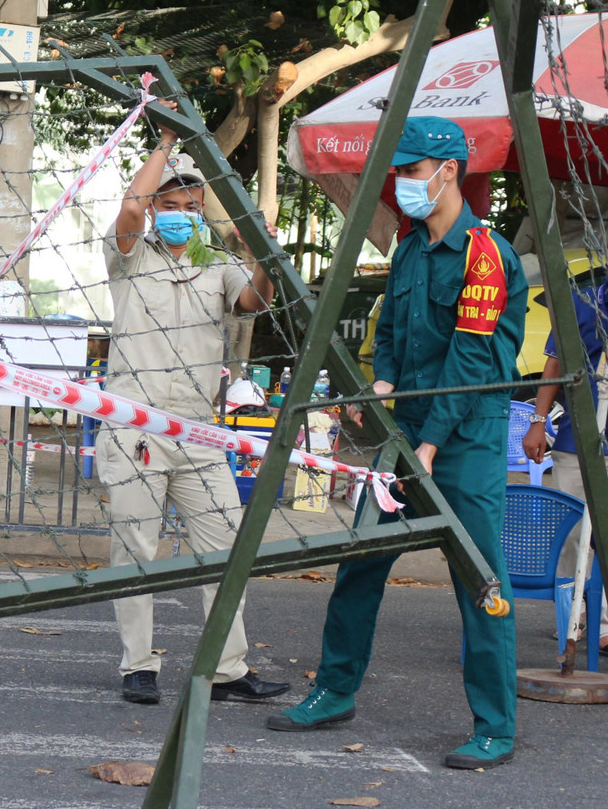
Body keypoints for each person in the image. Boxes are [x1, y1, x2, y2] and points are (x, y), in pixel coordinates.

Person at [268, 116, 528, 770]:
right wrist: (380, 380)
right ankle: (334, 688)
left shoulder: (486, 255)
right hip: (406, 434)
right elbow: (390, 332)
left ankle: (495, 724)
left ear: (448, 173)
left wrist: (431, 445)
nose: (403, 185)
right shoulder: (410, 249)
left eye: (411, 172)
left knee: (480, 579)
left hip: (463, 440)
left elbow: (471, 360)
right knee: (361, 560)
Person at [97, 104, 291, 707]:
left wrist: (258, 249)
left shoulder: (217, 265)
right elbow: (130, 207)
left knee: (223, 547)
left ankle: (228, 669)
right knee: (136, 548)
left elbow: (255, 301)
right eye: (171, 204)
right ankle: (138, 665)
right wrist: (167, 142)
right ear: (158, 208)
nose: (180, 215)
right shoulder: (128, 253)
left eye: (191, 206)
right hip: (136, 425)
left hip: (200, 430)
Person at [522, 283, 608, 656]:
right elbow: (555, 363)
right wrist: (538, 420)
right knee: (574, 536)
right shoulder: (581, 302)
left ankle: (604, 626)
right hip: (577, 440)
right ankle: (571, 618)